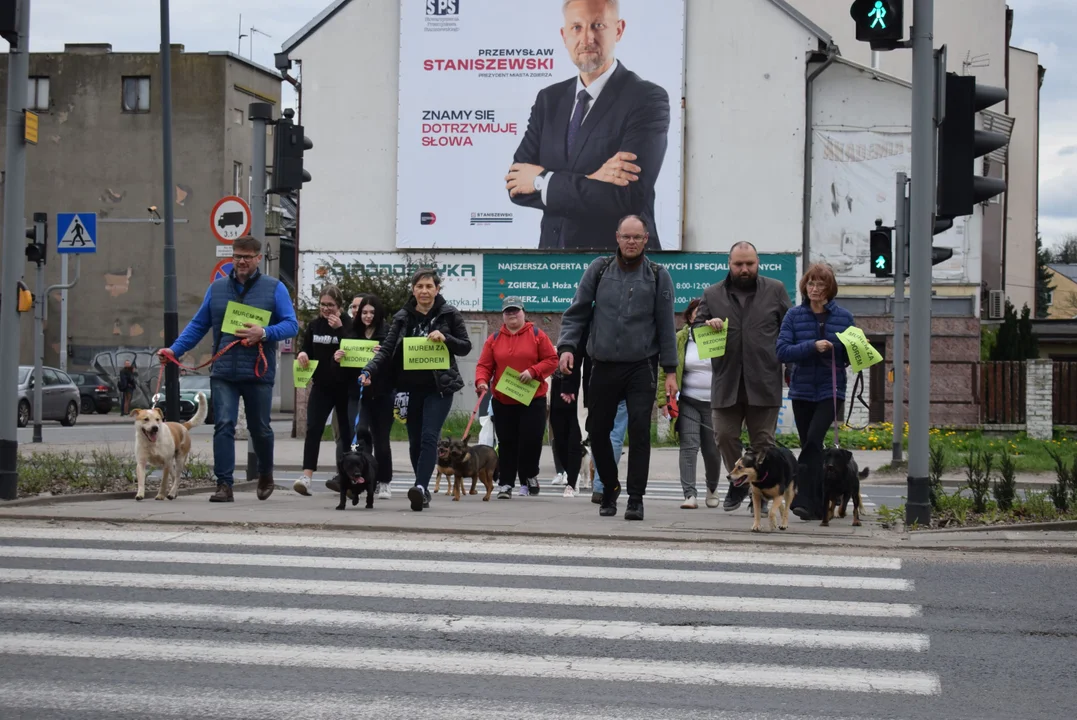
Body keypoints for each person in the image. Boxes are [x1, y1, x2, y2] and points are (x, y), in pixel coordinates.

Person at [505, 0, 671, 251]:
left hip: (619, 266)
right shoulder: (549, 99)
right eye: (576, 27)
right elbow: (517, 184)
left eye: (598, 25)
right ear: (564, 35)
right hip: (551, 263)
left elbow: (627, 197)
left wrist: (541, 181)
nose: (587, 37)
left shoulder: (646, 98)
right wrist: (593, 178)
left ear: (618, 30)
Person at [158, 235, 298, 503]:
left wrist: (265, 332)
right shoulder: (218, 288)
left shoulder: (274, 288)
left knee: (261, 428)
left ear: (258, 258)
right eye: (237, 256)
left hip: (258, 371)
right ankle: (224, 484)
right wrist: (174, 350)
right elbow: (199, 325)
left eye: (247, 257)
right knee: (223, 425)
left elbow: (292, 325)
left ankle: (266, 474)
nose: (241, 261)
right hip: (224, 370)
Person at [557, 215, 678, 520]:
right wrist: (567, 347)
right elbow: (577, 312)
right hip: (603, 364)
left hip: (641, 366)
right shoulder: (599, 270)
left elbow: (666, 327)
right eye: (626, 237)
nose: (631, 242)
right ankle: (609, 488)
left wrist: (671, 371)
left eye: (637, 237)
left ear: (646, 239)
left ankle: (635, 498)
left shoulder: (658, 275)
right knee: (598, 432)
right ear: (617, 238)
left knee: (639, 431)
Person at [361, 268, 471, 512]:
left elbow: (465, 346)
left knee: (430, 436)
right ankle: (420, 486)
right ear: (413, 289)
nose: (424, 291)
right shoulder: (402, 317)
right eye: (420, 286)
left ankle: (421, 488)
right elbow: (387, 349)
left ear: (437, 289)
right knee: (415, 442)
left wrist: (446, 338)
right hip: (409, 389)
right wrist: (368, 370)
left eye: (429, 286)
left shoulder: (449, 314)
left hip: (440, 388)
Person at [694, 241, 792, 513]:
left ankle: (758, 495)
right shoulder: (712, 294)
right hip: (727, 381)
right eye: (739, 264)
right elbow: (695, 330)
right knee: (724, 436)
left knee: (763, 444)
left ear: (758, 262)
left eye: (750, 263)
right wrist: (705, 325)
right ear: (729, 264)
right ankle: (739, 482)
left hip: (764, 380)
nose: (744, 269)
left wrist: (791, 369)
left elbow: (790, 329)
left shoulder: (776, 290)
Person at [776, 263, 855, 521]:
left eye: (821, 284)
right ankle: (821, 504)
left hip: (831, 389)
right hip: (801, 389)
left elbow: (854, 355)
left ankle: (801, 498)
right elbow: (782, 351)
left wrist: (846, 349)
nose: (815, 289)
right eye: (811, 283)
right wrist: (812, 346)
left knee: (812, 440)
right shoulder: (793, 316)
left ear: (830, 288)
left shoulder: (844, 317)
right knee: (811, 447)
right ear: (804, 286)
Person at [475, 297, 559, 500]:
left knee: (531, 440)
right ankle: (505, 483)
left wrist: (533, 371)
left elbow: (552, 360)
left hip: (532, 399)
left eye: (516, 311)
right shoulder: (494, 339)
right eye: (508, 312)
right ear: (503, 315)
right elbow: (484, 365)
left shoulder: (537, 335)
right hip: (504, 400)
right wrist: (481, 381)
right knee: (506, 442)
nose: (512, 315)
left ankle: (529, 475)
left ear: (524, 313)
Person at [658, 298, 722, 510]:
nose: (701, 317)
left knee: (712, 451)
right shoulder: (680, 339)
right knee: (689, 447)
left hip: (716, 404)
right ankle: (689, 495)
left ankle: (712, 488)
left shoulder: (721, 336)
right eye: (697, 313)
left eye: (706, 313)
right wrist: (663, 400)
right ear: (689, 317)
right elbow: (665, 370)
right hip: (689, 401)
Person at [292, 285, 352, 497]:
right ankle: (306, 476)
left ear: (340, 307)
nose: (326, 309)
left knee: (345, 433)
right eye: (323, 305)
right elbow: (306, 348)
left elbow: (354, 347)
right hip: (322, 386)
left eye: (331, 306)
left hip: (345, 387)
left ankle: (347, 477)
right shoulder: (314, 326)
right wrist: (302, 355)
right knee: (314, 428)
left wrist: (339, 329)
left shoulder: (349, 324)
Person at [338, 294, 394, 500]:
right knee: (359, 433)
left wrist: (386, 357)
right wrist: (338, 359)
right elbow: (343, 372)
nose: (368, 316)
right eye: (364, 312)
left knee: (381, 441)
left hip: (382, 395)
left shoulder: (387, 334)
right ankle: (359, 478)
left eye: (372, 312)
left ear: (378, 313)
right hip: (357, 395)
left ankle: (384, 482)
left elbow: (397, 367)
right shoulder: (351, 334)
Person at [549, 319, 593, 498]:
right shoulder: (558, 350)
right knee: (560, 443)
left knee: (575, 442)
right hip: (558, 403)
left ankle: (572, 483)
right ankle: (568, 473)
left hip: (579, 404)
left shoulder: (590, 349)